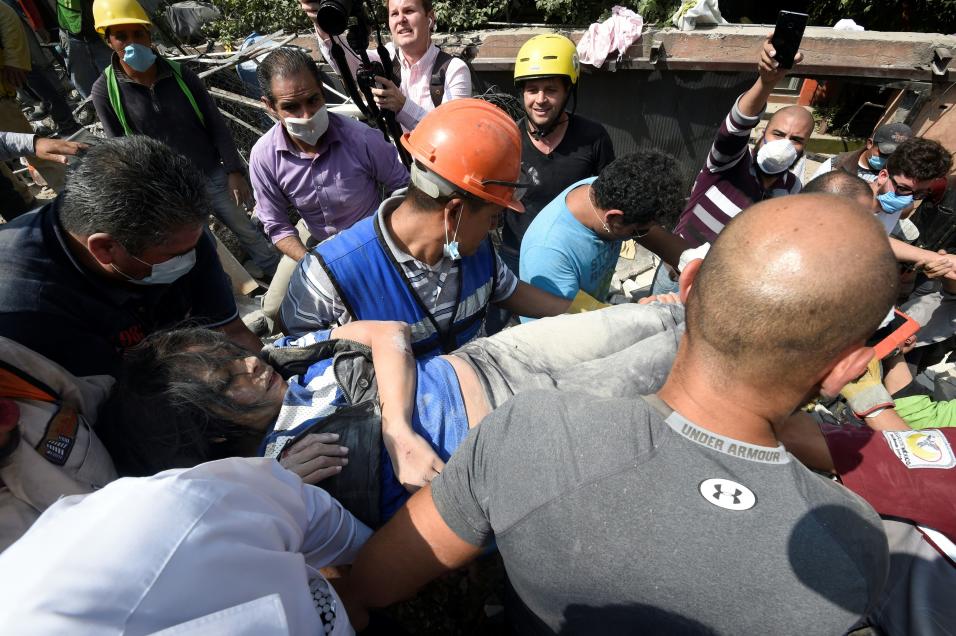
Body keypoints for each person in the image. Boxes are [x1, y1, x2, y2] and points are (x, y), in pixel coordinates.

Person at [334, 193, 896, 634]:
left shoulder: (524, 431)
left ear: (689, 284)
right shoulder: (854, 550)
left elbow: (380, 579)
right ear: (847, 370)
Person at [98, 301, 684, 527]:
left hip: (498, 355)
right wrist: (279, 489)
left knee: (656, 315)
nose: (251, 368)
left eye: (236, 359)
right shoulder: (280, 471)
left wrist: (398, 428)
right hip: (524, 420)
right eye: (230, 382)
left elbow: (388, 333)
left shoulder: (286, 358)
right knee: (684, 353)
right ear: (213, 424)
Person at [280, 98, 569, 352]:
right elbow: (297, 367)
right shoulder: (328, 276)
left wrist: (599, 314)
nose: (491, 231)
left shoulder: (475, 253)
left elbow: (511, 291)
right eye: (492, 218)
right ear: (454, 213)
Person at [0, 458, 371, 634]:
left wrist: (370, 577)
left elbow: (312, 515)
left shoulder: (173, 512)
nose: (252, 367)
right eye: (229, 377)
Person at [0, 135, 262, 377]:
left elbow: (232, 332)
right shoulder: (27, 310)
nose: (192, 258)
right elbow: (105, 411)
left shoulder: (180, 231)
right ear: (105, 249)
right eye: (177, 255)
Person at [89, 0, 279, 279]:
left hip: (211, 171)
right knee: (203, 246)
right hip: (170, 190)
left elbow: (216, 123)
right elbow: (120, 149)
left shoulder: (180, 75)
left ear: (149, 35)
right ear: (109, 41)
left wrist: (234, 171)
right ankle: (231, 292)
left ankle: (275, 272)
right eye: (121, 36)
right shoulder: (105, 91)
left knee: (244, 227)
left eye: (138, 33)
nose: (132, 42)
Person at [250, 47, 409, 332]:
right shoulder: (264, 155)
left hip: (368, 237)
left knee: (378, 310)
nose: (307, 114)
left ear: (322, 92)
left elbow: (403, 188)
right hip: (313, 241)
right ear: (270, 106)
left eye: (313, 100)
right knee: (275, 310)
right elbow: (276, 225)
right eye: (291, 107)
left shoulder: (363, 139)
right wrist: (314, 263)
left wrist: (384, 239)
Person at [660, 36, 813, 294]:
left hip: (720, 289)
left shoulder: (791, 187)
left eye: (796, 140)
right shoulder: (729, 163)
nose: (785, 144)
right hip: (677, 275)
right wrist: (766, 82)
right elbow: (735, 126)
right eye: (778, 134)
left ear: (804, 147)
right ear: (763, 132)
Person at [519, 151, 690, 320]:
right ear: (614, 218)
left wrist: (697, 264)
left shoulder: (605, 191)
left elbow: (668, 245)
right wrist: (640, 314)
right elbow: (578, 324)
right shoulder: (549, 252)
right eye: (640, 231)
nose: (645, 236)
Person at [500, 33, 615, 274]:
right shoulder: (508, 137)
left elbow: (610, 200)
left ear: (567, 91)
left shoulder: (593, 138)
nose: (540, 100)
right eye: (532, 90)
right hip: (516, 254)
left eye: (550, 89)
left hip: (573, 259)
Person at [304, 0, 470, 132]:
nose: (401, 19)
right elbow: (347, 62)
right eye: (394, 14)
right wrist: (322, 23)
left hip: (434, 172)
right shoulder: (388, 57)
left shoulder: (453, 69)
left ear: (430, 18)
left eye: (409, 11)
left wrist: (403, 106)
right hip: (396, 169)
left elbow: (452, 135)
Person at [810, 122, 913, 183]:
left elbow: (905, 211)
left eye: (894, 156)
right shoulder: (837, 163)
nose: (888, 160)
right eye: (884, 153)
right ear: (870, 143)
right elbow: (811, 191)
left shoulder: (896, 176)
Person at [54, 0, 112, 97]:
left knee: (118, 81)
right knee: (87, 89)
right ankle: (93, 109)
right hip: (72, 35)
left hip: (102, 30)